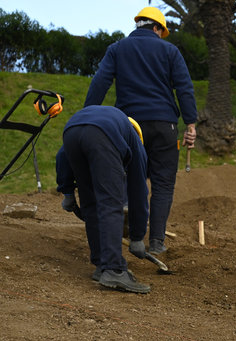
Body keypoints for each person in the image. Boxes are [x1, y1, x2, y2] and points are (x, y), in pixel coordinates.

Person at [84, 6, 197, 256]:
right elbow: (184, 88)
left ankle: (128, 225)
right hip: (164, 125)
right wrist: (191, 124)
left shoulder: (117, 48)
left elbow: (100, 82)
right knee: (163, 184)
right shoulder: (170, 51)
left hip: (129, 125)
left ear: (139, 25)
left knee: (130, 177)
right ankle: (156, 242)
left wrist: (87, 113)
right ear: (157, 28)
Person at [56, 105, 151, 294]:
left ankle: (101, 265)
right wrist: (137, 237)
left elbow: (62, 155)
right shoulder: (135, 144)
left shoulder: (109, 119)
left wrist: (67, 192)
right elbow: (139, 191)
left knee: (91, 203)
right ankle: (114, 269)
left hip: (71, 130)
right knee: (111, 203)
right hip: (100, 135)